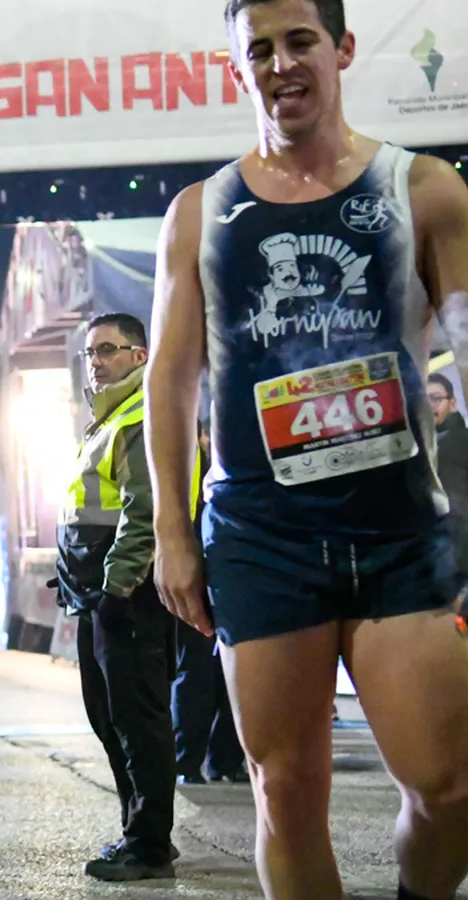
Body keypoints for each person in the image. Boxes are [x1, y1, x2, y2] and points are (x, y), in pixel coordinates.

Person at [145, 0, 468, 896]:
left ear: (343, 50)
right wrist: (174, 532)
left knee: (449, 788)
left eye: (300, 41)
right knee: (284, 792)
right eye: (260, 49)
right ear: (237, 69)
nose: (281, 64)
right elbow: (168, 385)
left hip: (399, 534)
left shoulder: (424, 190)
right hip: (261, 538)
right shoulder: (200, 214)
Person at [56, 314, 178, 881]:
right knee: (110, 718)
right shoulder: (105, 419)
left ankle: (150, 846)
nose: (96, 361)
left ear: (140, 355)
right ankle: (138, 830)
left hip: (128, 599)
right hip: (98, 597)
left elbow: (143, 513)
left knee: (137, 721)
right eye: (89, 353)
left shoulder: (139, 418)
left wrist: (116, 587)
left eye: (108, 350)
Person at [173, 424, 246, 787]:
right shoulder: (184, 470)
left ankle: (226, 761)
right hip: (201, 579)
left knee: (234, 674)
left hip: (235, 576)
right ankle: (187, 761)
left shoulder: (237, 465)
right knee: (197, 674)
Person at [427, 374, 468, 585]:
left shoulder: (456, 440)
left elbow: (455, 505)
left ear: (452, 403)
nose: (429, 406)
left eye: (435, 398)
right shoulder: (428, 446)